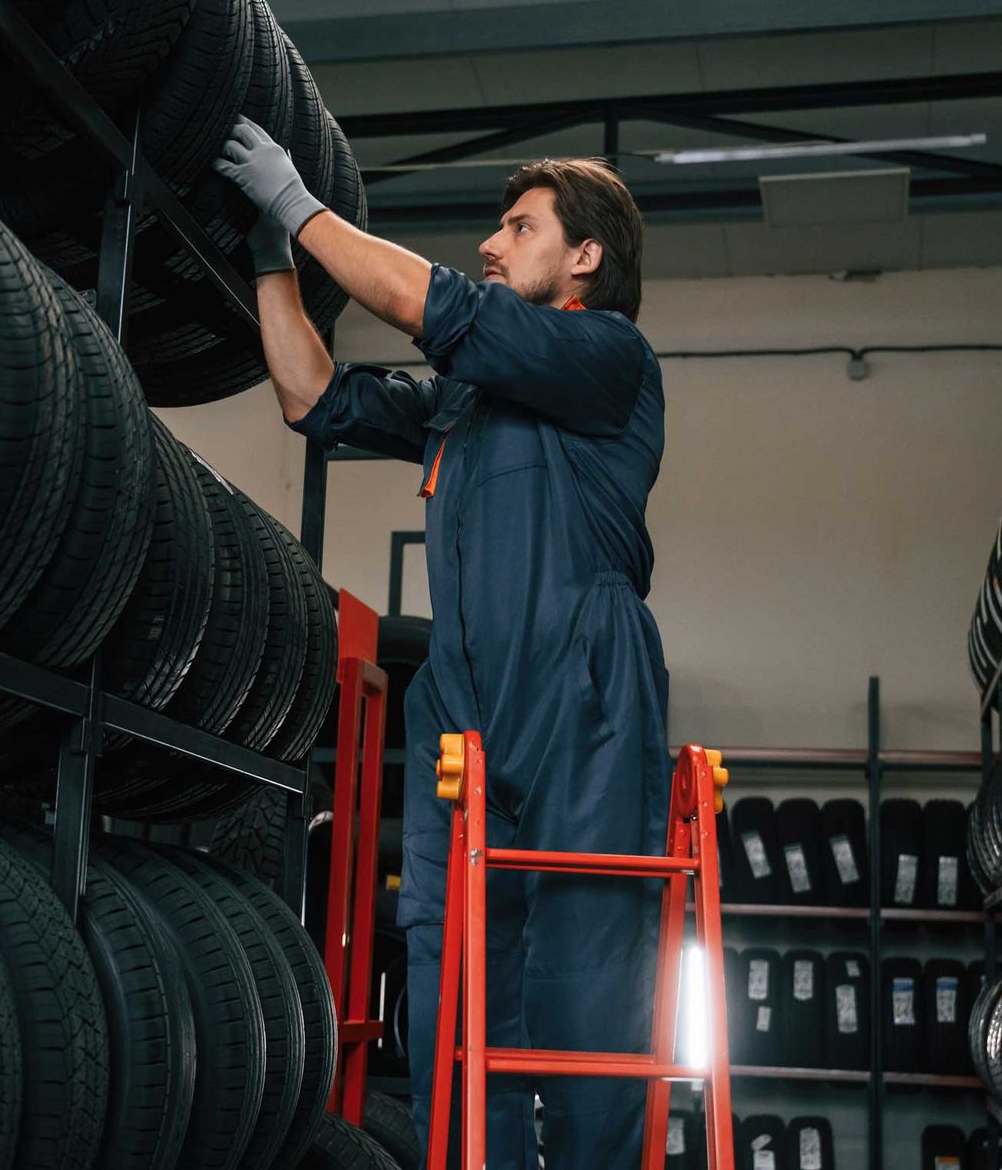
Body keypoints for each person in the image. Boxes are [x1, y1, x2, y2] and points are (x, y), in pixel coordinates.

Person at [215, 116, 670, 1168]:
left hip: (581, 690)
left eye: (519, 226)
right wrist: (271, 256)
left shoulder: (609, 358)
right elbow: (312, 398)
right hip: (459, 706)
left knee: (586, 972)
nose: (493, 244)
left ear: (584, 257)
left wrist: (299, 202)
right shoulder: (464, 403)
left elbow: (438, 307)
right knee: (450, 969)